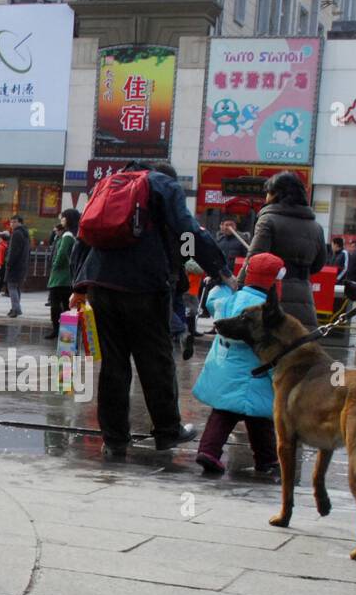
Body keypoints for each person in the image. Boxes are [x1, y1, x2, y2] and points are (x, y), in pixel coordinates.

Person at [69, 160, 240, 459]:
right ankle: (166, 431)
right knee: (155, 360)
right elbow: (189, 232)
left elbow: (85, 237)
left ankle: (115, 439)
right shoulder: (164, 184)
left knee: (113, 364)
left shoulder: (109, 184)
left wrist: (78, 286)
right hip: (144, 285)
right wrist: (220, 270)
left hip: (100, 284)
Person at [193, 265, 279, 480]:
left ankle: (208, 451)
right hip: (254, 375)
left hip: (224, 367)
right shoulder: (265, 311)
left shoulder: (230, 299)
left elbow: (213, 300)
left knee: (222, 413)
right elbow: (271, 348)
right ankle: (266, 460)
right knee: (260, 419)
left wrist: (223, 283)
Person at [249, 171, 329, 330]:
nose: (266, 197)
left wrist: (240, 290)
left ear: (276, 194)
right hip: (304, 297)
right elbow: (318, 265)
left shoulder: (267, 220)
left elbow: (254, 261)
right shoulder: (316, 227)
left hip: (270, 297)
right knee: (299, 346)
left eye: (267, 193)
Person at [44, 208, 78, 340]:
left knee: (55, 305)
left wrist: (54, 266)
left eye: (63, 217)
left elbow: (62, 253)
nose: (61, 220)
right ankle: (67, 333)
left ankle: (57, 331)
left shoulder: (67, 235)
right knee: (67, 305)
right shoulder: (75, 234)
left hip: (60, 277)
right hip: (69, 277)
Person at [5, 214, 30, 317]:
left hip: (15, 266)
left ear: (20, 222)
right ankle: (16, 308)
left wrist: (9, 263)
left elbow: (13, 252)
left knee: (12, 287)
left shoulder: (17, 234)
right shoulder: (25, 233)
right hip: (22, 265)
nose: (12, 224)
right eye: (11, 222)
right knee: (16, 287)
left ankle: (16, 309)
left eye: (14, 222)